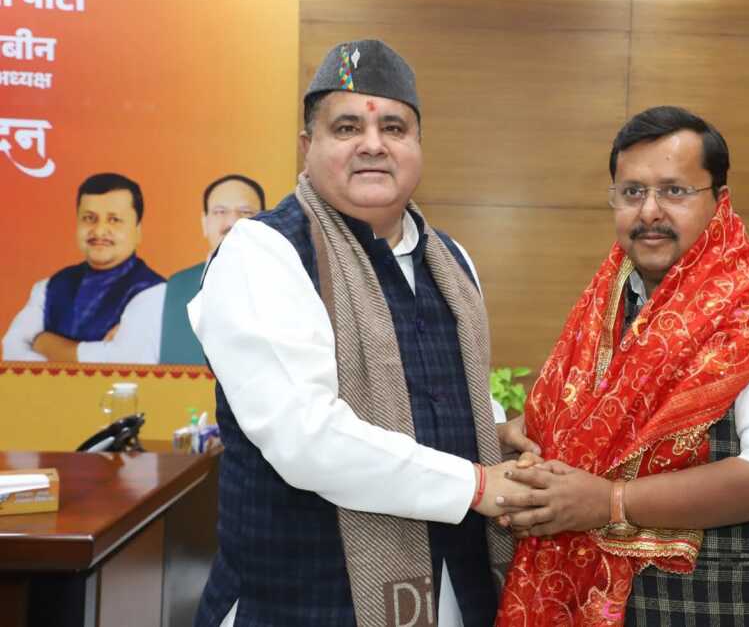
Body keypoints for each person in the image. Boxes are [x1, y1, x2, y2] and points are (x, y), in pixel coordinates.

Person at [187, 39, 535, 627]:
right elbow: (307, 438)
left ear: (418, 145)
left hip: (452, 593)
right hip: (300, 602)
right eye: (347, 127)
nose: (373, 144)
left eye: (394, 128)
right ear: (308, 146)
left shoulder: (451, 260)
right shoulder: (262, 253)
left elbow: (449, 395)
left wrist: (497, 435)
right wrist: (478, 484)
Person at [495, 106, 749, 625]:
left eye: (675, 191)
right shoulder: (605, 313)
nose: (650, 211)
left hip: (733, 607)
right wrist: (528, 435)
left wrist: (610, 502)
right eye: (632, 192)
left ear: (720, 201)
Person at [2, 172, 165, 363]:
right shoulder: (50, 287)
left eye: (114, 220)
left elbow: (124, 362)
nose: (99, 230)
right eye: (89, 218)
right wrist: (94, 353)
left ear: (138, 231)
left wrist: (42, 341)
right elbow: (12, 350)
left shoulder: (155, 293)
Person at [158, 174, 265, 364]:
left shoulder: (284, 286)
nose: (232, 222)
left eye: (246, 212)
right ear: (204, 223)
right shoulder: (168, 291)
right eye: (220, 211)